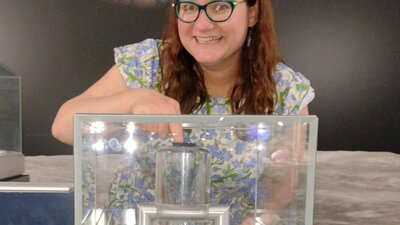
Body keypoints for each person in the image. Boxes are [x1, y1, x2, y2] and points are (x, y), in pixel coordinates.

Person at [52, 0, 314, 224]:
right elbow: (63, 126)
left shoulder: (285, 88)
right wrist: (133, 100)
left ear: (253, 13)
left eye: (221, 6)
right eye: (189, 7)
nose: (202, 25)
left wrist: (257, 219)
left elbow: (283, 185)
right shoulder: (148, 63)